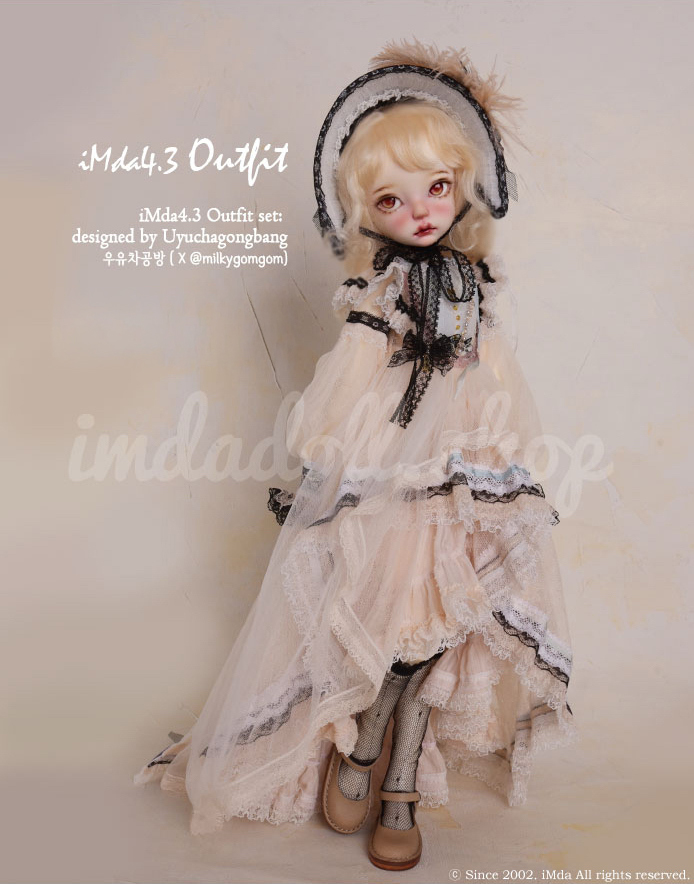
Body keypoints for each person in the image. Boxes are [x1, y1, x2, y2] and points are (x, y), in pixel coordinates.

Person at [134, 39, 577, 872]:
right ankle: (368, 744)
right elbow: (351, 375)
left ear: (464, 185)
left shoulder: (475, 282)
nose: (422, 212)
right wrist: (326, 441)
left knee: (452, 619)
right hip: (393, 463)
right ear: (364, 210)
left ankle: (394, 770)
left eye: (437, 187)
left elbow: (496, 371)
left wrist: (505, 451)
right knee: (392, 614)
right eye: (391, 199)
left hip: (463, 462)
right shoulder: (381, 290)